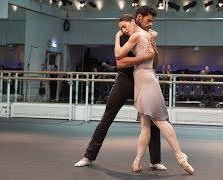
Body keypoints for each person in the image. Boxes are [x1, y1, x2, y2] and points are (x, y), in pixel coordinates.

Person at [75, 6, 167, 171]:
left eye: (152, 21)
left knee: (152, 120)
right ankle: (88, 157)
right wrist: (142, 58)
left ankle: (155, 160)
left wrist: (154, 49)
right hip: (125, 80)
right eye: (148, 20)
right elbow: (120, 62)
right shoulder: (126, 36)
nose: (151, 24)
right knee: (107, 117)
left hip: (143, 81)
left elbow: (154, 63)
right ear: (138, 17)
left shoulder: (148, 35)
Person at [114, 14, 195, 175]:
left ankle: (180, 155)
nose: (123, 30)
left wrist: (117, 38)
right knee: (145, 124)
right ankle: (137, 162)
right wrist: (147, 31)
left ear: (132, 21)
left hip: (145, 79)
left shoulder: (137, 35)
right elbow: (154, 32)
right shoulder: (147, 34)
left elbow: (118, 55)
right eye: (120, 29)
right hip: (144, 78)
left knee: (159, 120)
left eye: (124, 26)